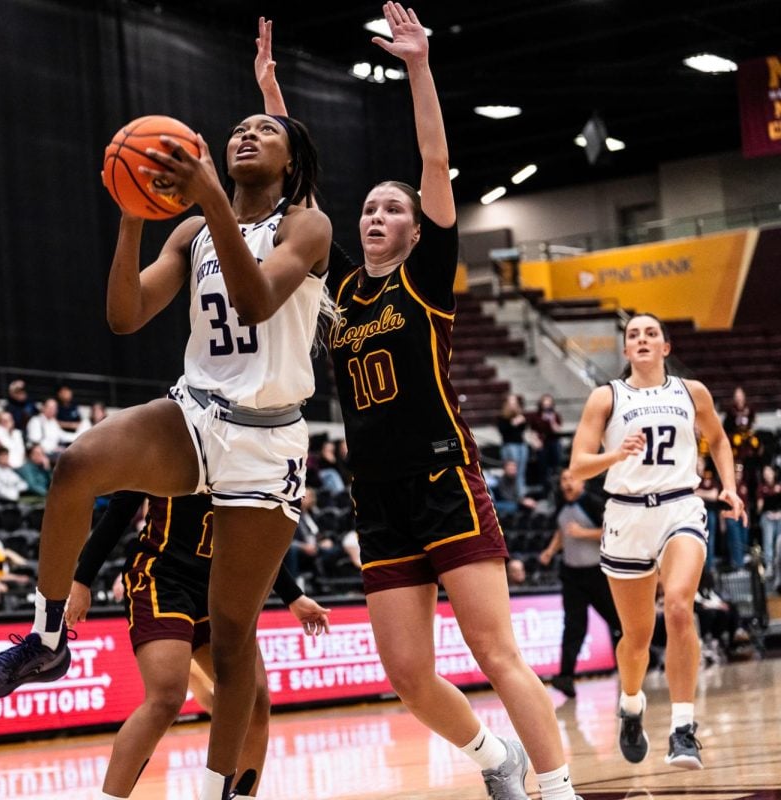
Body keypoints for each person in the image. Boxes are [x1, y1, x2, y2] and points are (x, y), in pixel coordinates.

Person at [0, 23, 333, 799]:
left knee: (233, 644)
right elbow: (125, 317)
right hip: (197, 414)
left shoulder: (308, 227)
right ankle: (48, 637)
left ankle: (224, 791)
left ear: (292, 161)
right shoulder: (193, 230)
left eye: (263, 129)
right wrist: (135, 211)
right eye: (236, 130)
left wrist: (216, 184)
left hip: (269, 444)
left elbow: (259, 301)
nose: (245, 135)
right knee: (76, 464)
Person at [319, 7, 580, 798]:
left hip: (442, 479)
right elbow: (297, 198)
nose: (375, 217)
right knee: (406, 674)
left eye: (390, 210)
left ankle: (559, 786)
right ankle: (492, 758)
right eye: (368, 209)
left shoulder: (424, 279)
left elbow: (435, 160)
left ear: (413, 229)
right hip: (377, 496)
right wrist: (271, 100)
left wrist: (420, 67)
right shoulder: (335, 291)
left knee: (496, 653)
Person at [67, 491, 330, 799]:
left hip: (220, 583)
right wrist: (82, 580)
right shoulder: (165, 445)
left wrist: (293, 596)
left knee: (255, 698)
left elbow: (253, 537)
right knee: (166, 696)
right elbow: (120, 511)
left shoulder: (247, 459)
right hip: (162, 577)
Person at [569, 312, 745, 771]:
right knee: (637, 637)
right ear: (625, 350)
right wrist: (616, 453)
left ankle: (683, 729)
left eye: (651, 334)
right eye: (633, 335)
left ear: (666, 347)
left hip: (680, 506)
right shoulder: (605, 397)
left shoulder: (693, 392)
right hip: (626, 515)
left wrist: (728, 486)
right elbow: (578, 467)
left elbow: (720, 441)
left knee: (681, 607)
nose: (642, 340)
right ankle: (631, 706)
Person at [538, 470, 622, 698]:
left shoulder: (592, 503)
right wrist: (550, 550)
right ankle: (565, 677)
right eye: (563, 479)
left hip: (597, 574)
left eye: (571, 478)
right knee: (574, 626)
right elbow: (562, 531)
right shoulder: (561, 504)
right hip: (572, 575)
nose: (566, 483)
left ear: (582, 482)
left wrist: (583, 533)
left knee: (619, 620)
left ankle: (643, 657)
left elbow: (613, 532)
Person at [498, 393, 530, 499]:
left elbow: (522, 430)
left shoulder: (519, 416)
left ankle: (521, 495)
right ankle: (511, 496)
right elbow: (503, 431)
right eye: (511, 402)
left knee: (521, 471)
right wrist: (513, 423)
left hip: (521, 444)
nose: (513, 405)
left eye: (515, 402)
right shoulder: (502, 417)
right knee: (512, 472)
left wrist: (521, 421)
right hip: (509, 445)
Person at [756, 464, 781, 576]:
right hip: (768, 516)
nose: (767, 475)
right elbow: (759, 508)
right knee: (768, 541)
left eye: (769, 472)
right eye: (765, 474)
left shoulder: (779, 485)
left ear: (773, 473)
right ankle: (769, 566)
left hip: (780, 515)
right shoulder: (761, 488)